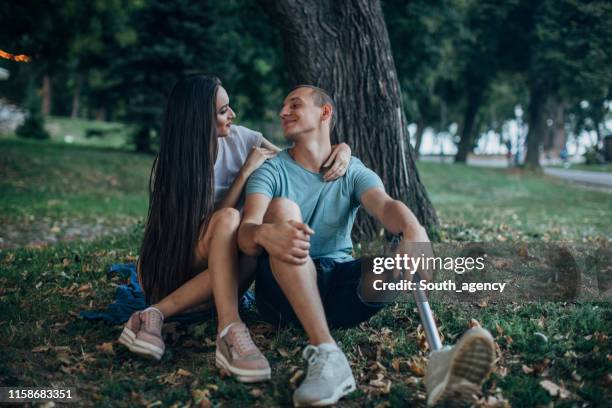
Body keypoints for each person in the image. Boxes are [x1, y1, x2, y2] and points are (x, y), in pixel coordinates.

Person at [238, 85, 497, 406]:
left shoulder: (352, 169)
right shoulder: (272, 170)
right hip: (280, 292)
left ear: (325, 113)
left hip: (337, 287)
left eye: (294, 104)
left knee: (391, 263)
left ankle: (439, 361)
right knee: (282, 209)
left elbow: (386, 206)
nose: (283, 112)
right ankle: (328, 353)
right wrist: (264, 234)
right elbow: (246, 232)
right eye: (283, 107)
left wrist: (414, 229)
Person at [117, 76, 352, 384]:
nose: (233, 115)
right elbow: (205, 228)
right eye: (223, 110)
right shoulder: (172, 164)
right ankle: (229, 328)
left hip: (222, 273)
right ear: (199, 118)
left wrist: (343, 149)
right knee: (229, 219)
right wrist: (244, 174)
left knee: (251, 251)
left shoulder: (244, 139)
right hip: (172, 266)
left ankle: (153, 315)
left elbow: (301, 158)